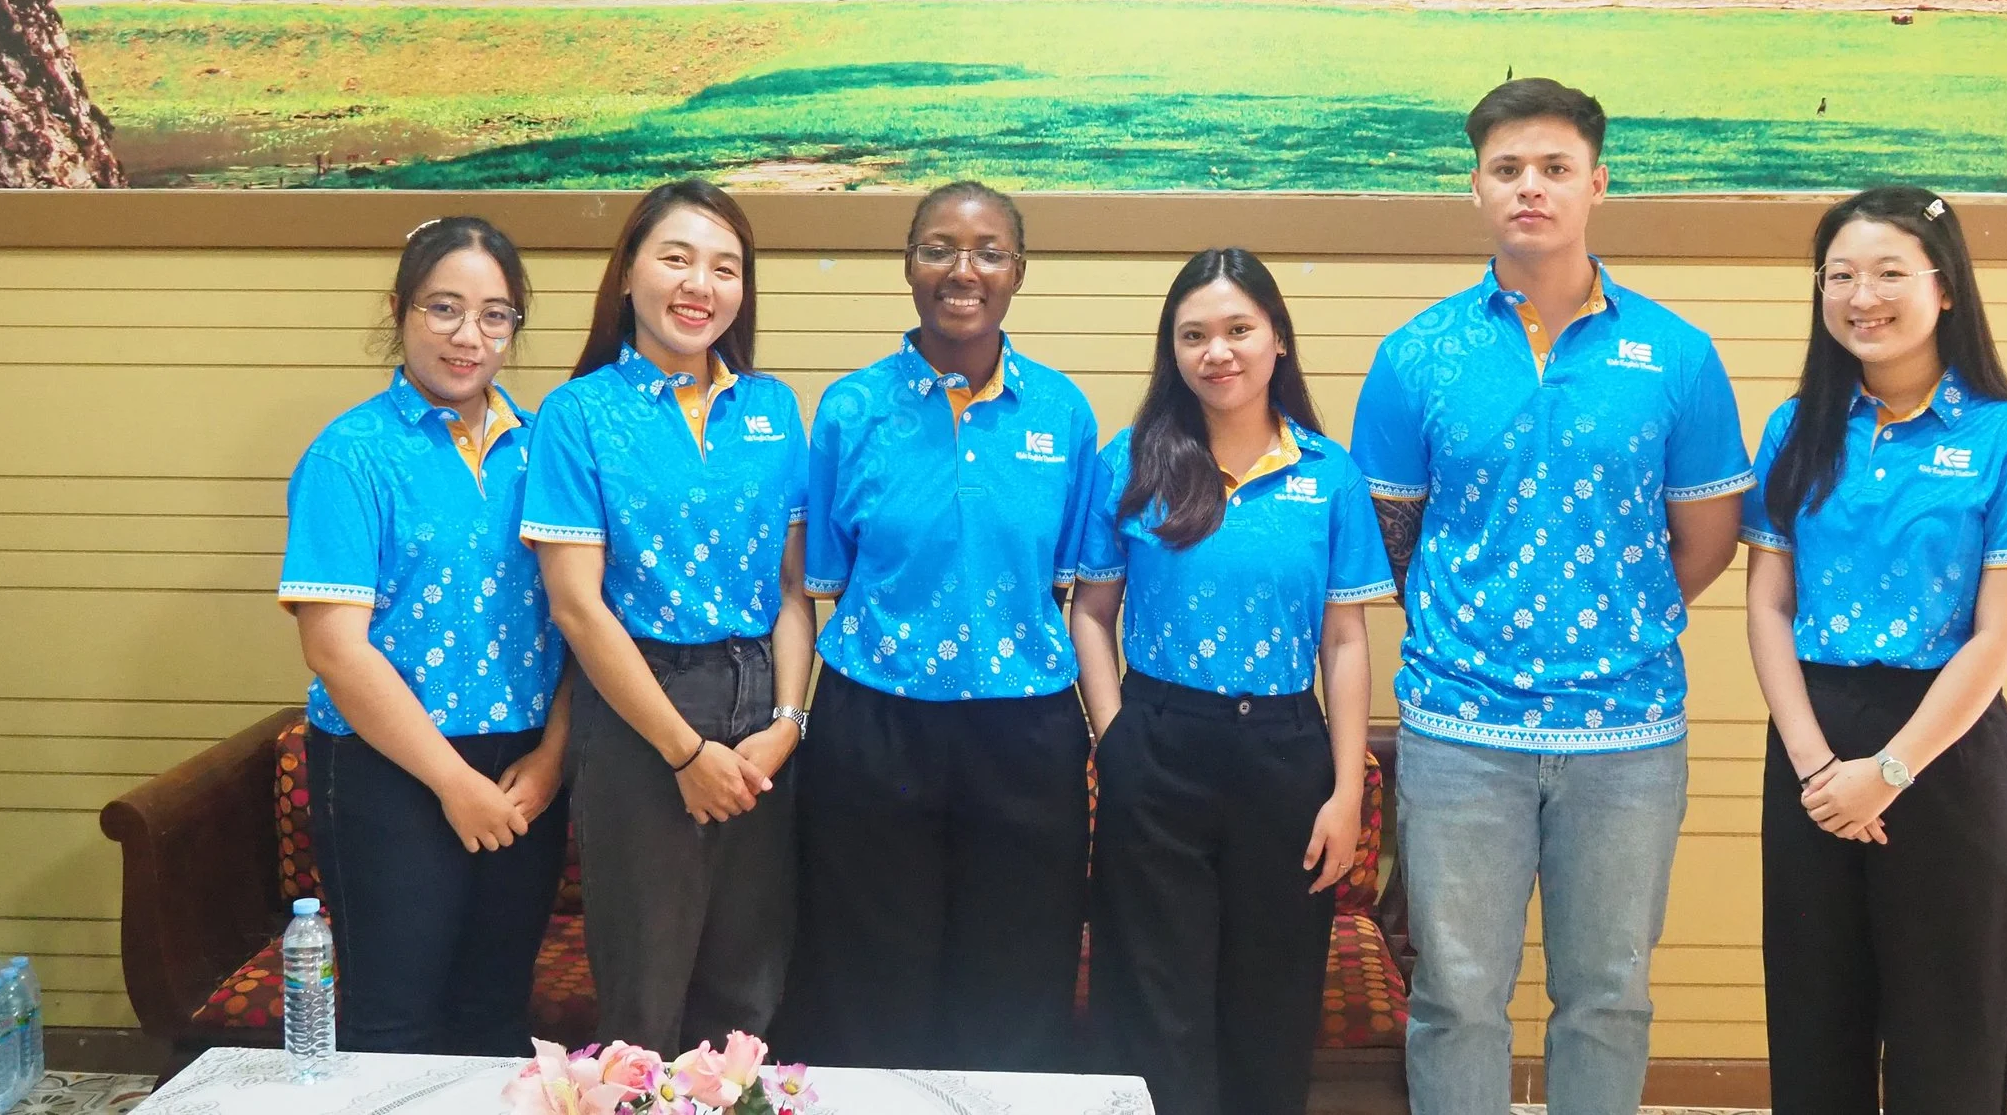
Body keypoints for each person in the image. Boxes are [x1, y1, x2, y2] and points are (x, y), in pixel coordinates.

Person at [1350, 78, 1753, 1115]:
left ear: (1597, 184)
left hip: (1625, 730)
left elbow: (1702, 539)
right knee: (1455, 995)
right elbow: (1389, 536)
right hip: (1456, 728)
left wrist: (1612, 613)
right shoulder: (1416, 355)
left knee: (1608, 995)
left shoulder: (1673, 354)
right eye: (1508, 168)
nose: (1530, 187)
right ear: (1475, 184)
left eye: (1555, 167)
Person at [1742, 186, 2007, 1114]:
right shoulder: (1794, 427)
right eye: (1839, 275)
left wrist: (1886, 770)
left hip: (1943, 746)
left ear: (1946, 286)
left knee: (1950, 1026)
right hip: (1810, 738)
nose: (1862, 296)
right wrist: (1817, 768)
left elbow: (2001, 633)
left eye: (1890, 272)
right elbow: (1768, 607)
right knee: (1814, 1019)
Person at [780, 181, 1102, 1072]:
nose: (964, 270)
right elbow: (826, 581)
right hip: (874, 722)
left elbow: (1068, 586)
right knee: (867, 969)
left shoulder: (1062, 413)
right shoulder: (850, 410)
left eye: (989, 251)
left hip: (1026, 728)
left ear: (1019, 272)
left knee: (1018, 971)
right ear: (908, 265)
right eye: (939, 249)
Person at [1072, 249, 1387, 1115]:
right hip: (1159, 747)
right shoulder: (1129, 462)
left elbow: (1346, 640)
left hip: (1285, 756)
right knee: (1154, 999)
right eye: (1194, 335)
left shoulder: (1328, 474)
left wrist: (1347, 790)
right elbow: (1091, 615)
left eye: (1239, 329)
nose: (1219, 352)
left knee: (1272, 998)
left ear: (1277, 339)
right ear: (1172, 352)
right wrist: (1117, 737)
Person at [521, 180, 814, 1055]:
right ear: (627, 276)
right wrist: (684, 752)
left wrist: (789, 724)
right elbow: (576, 605)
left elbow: (797, 592)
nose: (701, 285)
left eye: (726, 267)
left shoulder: (772, 409)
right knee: (646, 999)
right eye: (676, 258)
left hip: (763, 701)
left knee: (749, 991)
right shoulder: (578, 415)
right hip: (642, 702)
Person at [277, 216, 567, 1056]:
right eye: (444, 308)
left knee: (495, 1015)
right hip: (390, 770)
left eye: (495, 315)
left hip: (522, 771)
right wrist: (451, 782)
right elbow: (335, 647)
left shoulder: (544, 447)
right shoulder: (350, 456)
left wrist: (551, 761)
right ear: (400, 310)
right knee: (393, 1020)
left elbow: (583, 617)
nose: (468, 337)